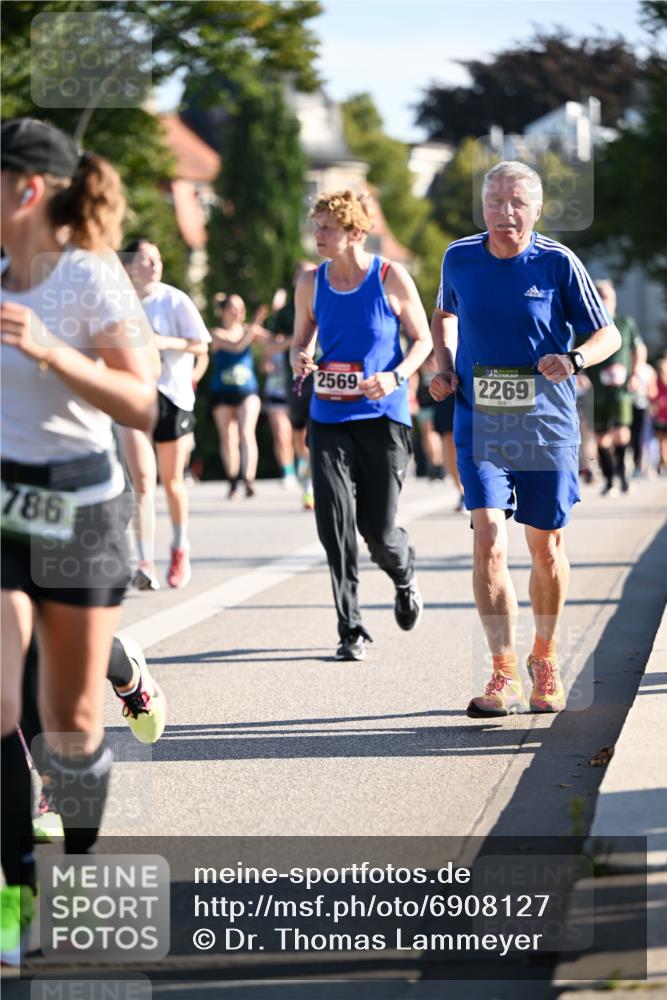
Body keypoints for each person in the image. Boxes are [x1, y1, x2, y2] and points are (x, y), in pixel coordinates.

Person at [0, 118, 158, 963]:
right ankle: (15, 892)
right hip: (0, 507)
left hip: (82, 512)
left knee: (70, 724)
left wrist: (54, 350)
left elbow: (144, 402)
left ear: (26, 188)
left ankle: (81, 866)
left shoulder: (92, 282)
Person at [430, 160, 622, 717]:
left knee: (546, 545)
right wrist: (444, 364)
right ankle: (502, 671)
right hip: (479, 417)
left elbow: (605, 332)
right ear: (483, 207)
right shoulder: (459, 257)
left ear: (536, 209)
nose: (505, 213)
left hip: (546, 423)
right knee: (488, 535)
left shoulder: (558, 262)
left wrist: (575, 357)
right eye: (495, 202)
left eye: (517, 203)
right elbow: (444, 312)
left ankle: (544, 657)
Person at [290, 190, 432, 661]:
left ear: (355, 233)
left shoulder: (390, 278)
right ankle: (350, 627)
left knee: (379, 531)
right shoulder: (311, 282)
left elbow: (423, 341)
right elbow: (298, 341)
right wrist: (301, 357)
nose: (318, 236)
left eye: (327, 228)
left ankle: (404, 573)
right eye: (317, 227)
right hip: (328, 416)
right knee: (335, 522)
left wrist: (395, 375)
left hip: (382, 418)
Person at [121, 239, 211, 589]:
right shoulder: (119, 304)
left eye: (157, 258)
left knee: (171, 482)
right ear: (129, 266)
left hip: (172, 397)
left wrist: (162, 342)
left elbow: (200, 345)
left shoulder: (174, 300)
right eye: (145, 259)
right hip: (135, 397)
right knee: (142, 482)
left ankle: (178, 546)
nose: (154, 264)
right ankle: (144, 561)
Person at [576, 280, 643, 495]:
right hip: (597, 390)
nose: (604, 300)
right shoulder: (585, 326)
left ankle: (623, 473)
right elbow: (577, 354)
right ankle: (609, 478)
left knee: (621, 432)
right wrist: (581, 375)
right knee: (601, 436)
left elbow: (638, 349)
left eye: (607, 296)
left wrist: (634, 374)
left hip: (621, 389)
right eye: (600, 296)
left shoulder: (625, 323)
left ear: (614, 299)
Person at [209, 293, 269, 499]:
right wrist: (256, 323)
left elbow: (274, 343)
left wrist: (267, 360)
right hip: (222, 392)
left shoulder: (250, 330)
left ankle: (248, 479)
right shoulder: (216, 333)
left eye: (240, 307)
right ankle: (233, 479)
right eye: (233, 307)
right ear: (224, 311)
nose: (237, 311)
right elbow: (237, 346)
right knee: (228, 438)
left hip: (247, 391)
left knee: (246, 432)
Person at [274, 262, 318, 509]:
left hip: (321, 375)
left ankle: (311, 484)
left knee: (316, 429)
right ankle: (303, 466)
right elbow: (270, 346)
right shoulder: (285, 313)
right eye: (303, 275)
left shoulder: (327, 299)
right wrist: (297, 343)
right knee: (298, 430)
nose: (308, 278)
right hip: (296, 376)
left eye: (312, 274)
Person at [651, 355, 667, 475]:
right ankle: (662, 464)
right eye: (660, 371)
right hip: (660, 418)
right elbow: (652, 397)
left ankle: (663, 463)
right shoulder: (655, 383)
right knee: (661, 442)